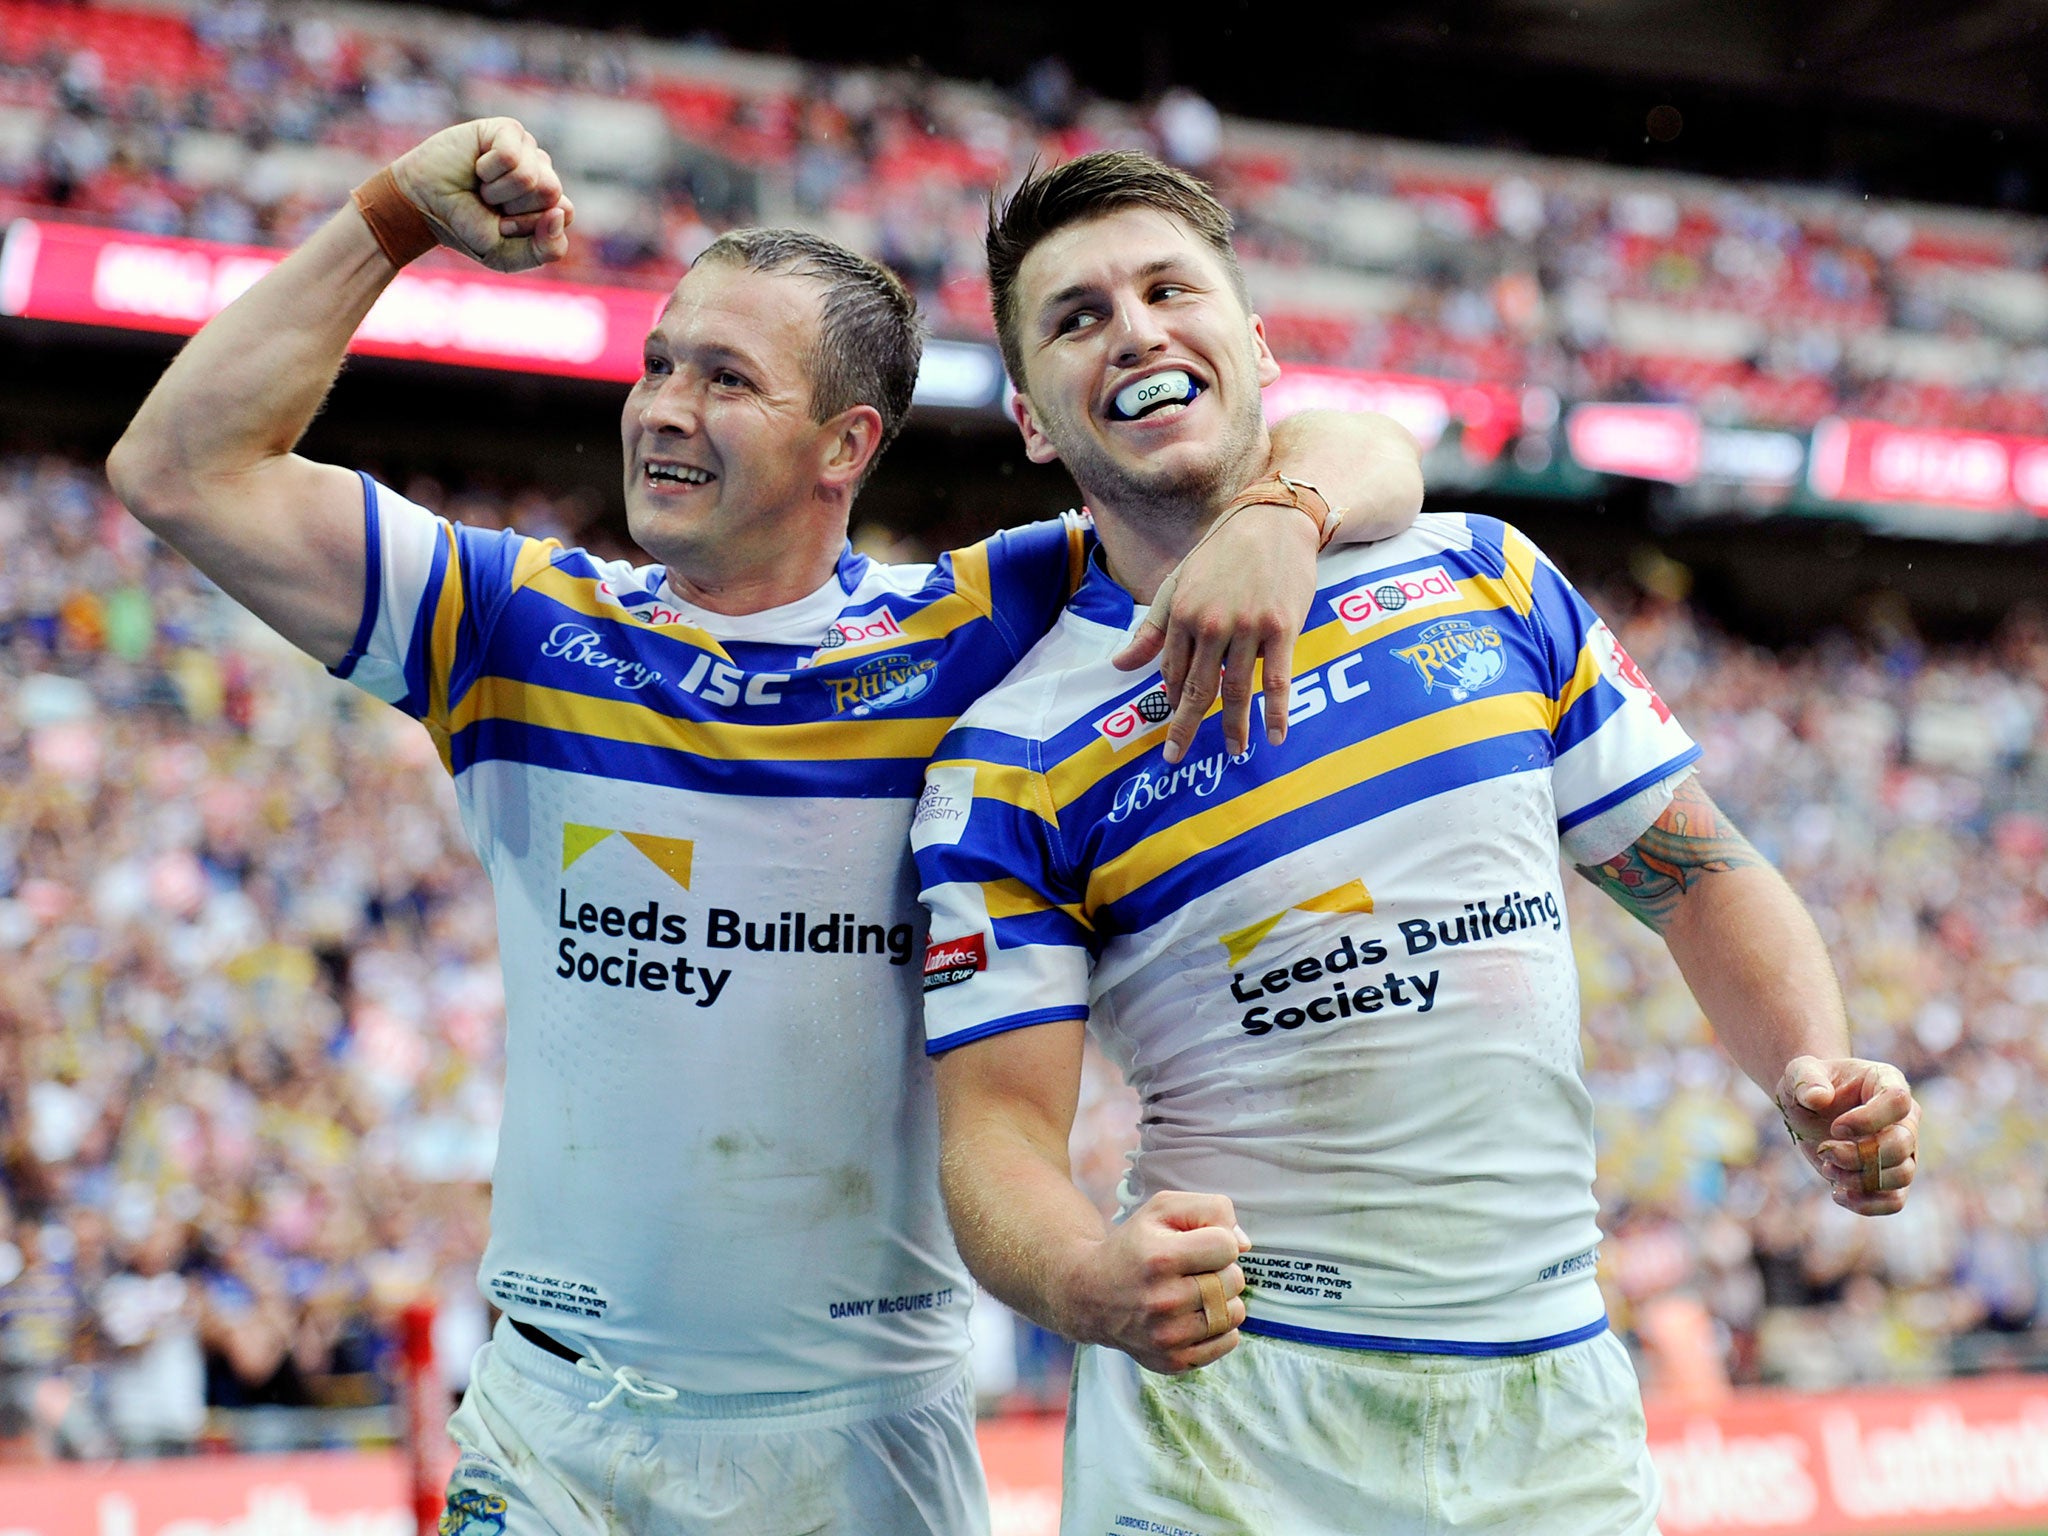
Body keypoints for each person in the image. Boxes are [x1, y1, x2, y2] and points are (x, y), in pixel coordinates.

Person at [105, 120, 1424, 1534]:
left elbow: (1345, 452)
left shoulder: (985, 625)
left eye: (726, 379)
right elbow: (180, 469)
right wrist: (388, 219)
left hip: (862, 1443)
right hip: (563, 1429)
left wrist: (1282, 511)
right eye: (659, 363)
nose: (665, 407)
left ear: (844, 445)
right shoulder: (516, 622)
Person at [913, 149, 1924, 1536]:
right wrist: (1089, 1277)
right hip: (1235, 1427)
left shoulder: (1485, 576)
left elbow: (1699, 877)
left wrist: (1813, 1062)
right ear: (1030, 419)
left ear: (1255, 344)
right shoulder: (1010, 755)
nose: (1137, 329)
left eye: (1168, 288)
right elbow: (997, 1133)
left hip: (1550, 1403)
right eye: (1078, 317)